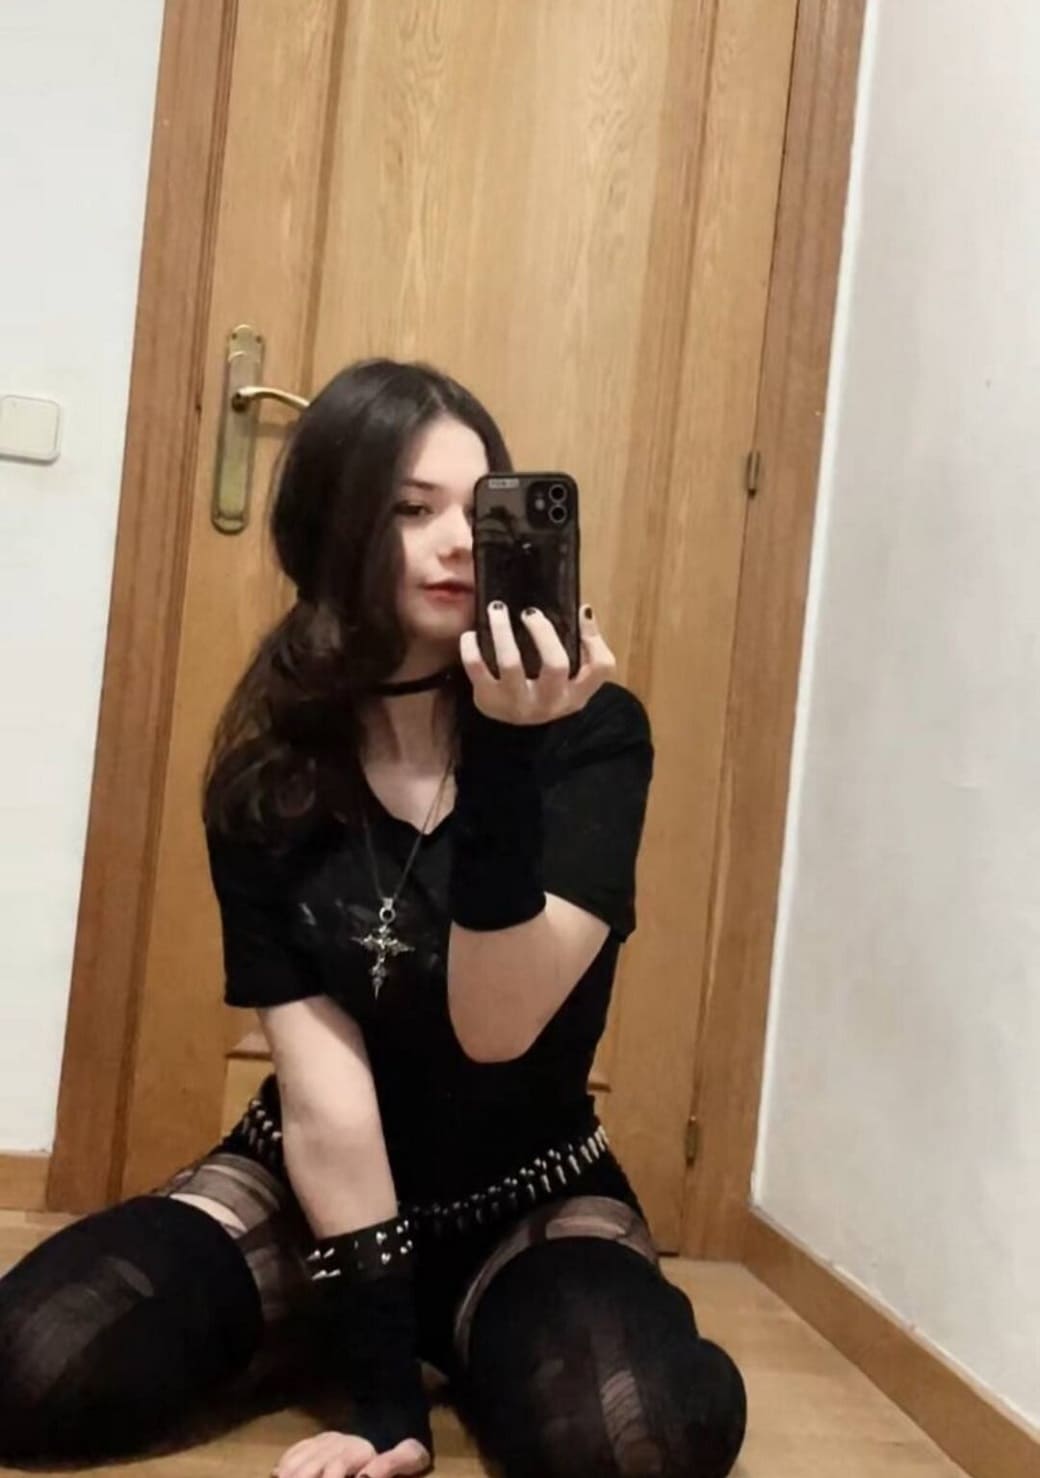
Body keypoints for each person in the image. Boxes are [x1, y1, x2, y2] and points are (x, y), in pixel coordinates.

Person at [0, 361, 747, 1477]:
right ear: (335, 524)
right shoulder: (271, 766)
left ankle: (483, 1329)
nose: (458, 543)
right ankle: (342, 1320)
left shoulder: (590, 735)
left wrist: (505, 748)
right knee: (33, 1365)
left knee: (636, 1440)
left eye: (480, 509)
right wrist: (386, 1399)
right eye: (411, 508)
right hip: (313, 1186)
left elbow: (496, 1025)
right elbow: (325, 1097)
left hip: (525, 1193)